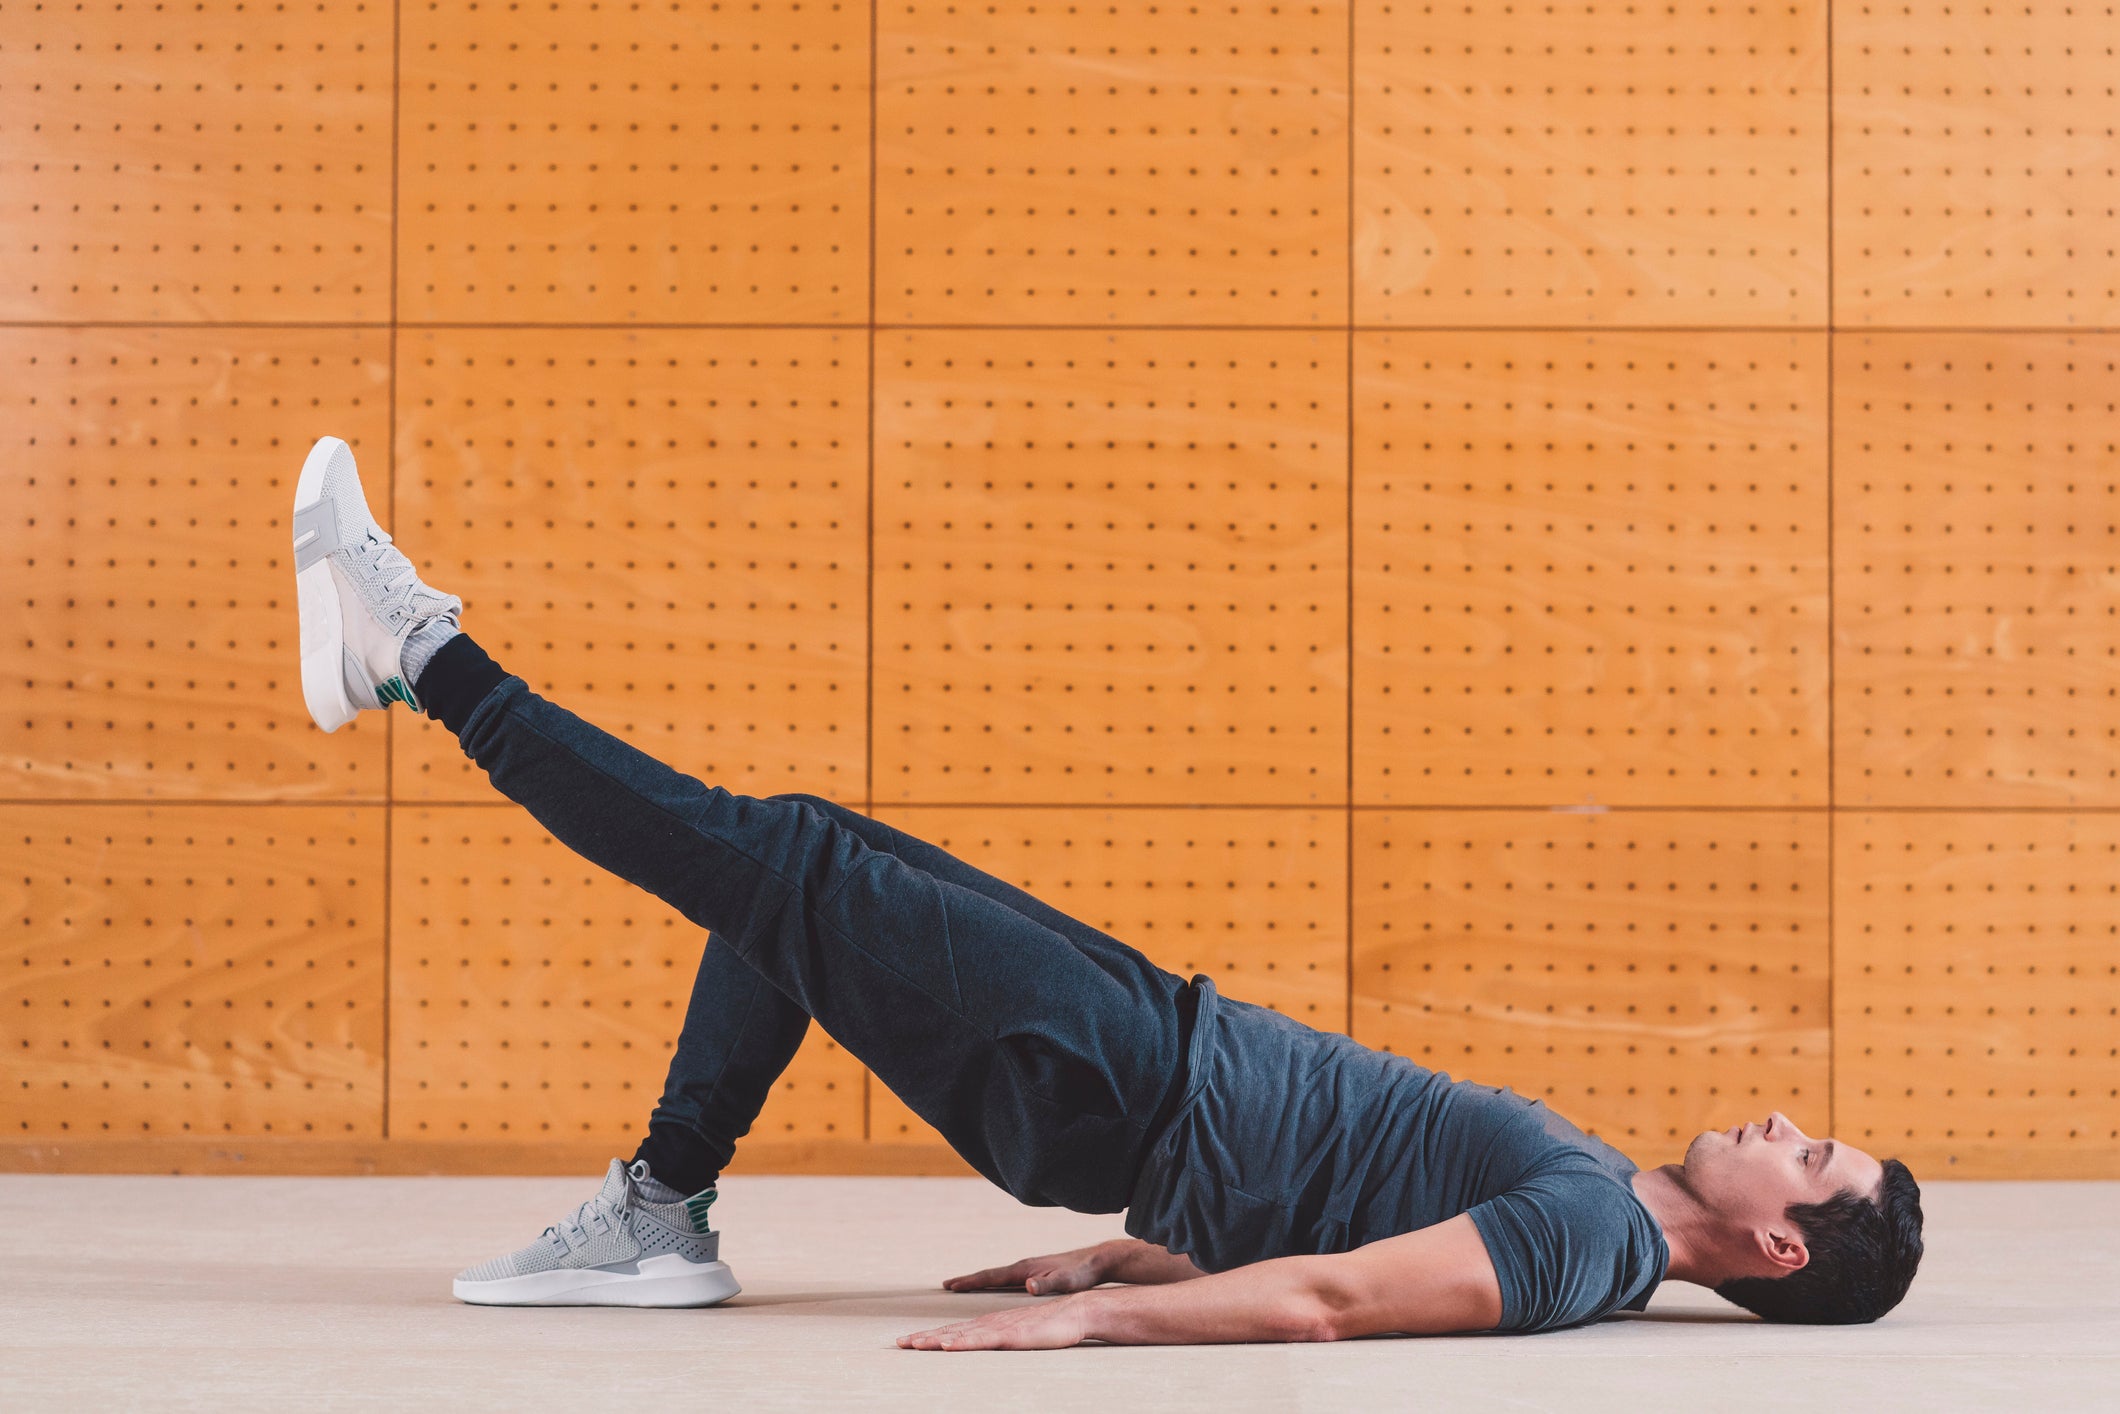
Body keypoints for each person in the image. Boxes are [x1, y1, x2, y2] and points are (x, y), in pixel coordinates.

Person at [290, 435, 1926, 1348]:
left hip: (1128, 1083)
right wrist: (1140, 1262)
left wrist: (1097, 1332)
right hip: (1156, 1050)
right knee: (795, 861)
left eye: (1813, 1150)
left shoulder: (1583, 1238)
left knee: (775, 862)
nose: (1786, 1118)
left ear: (1781, 1243)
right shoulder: (1602, 1208)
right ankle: (658, 1210)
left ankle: (421, 657)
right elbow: (1359, 1212)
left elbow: (1340, 1300)